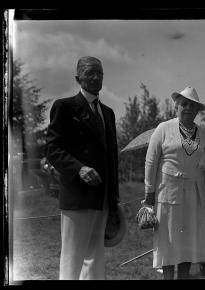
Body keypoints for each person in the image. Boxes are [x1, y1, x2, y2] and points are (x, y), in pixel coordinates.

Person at [46, 56, 119, 280]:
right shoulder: (65, 107)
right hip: (77, 196)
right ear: (78, 78)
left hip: (102, 198)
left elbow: (112, 160)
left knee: (95, 259)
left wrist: (113, 200)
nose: (96, 77)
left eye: (99, 73)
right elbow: (53, 150)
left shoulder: (108, 113)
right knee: (72, 259)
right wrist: (79, 169)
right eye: (90, 73)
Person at [142, 86, 205, 280]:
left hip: (193, 194)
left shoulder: (204, 136)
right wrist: (149, 192)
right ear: (177, 106)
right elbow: (151, 161)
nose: (188, 108)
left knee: (187, 244)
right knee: (168, 242)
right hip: (167, 193)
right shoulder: (163, 129)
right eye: (184, 104)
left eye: (192, 105)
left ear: (198, 110)